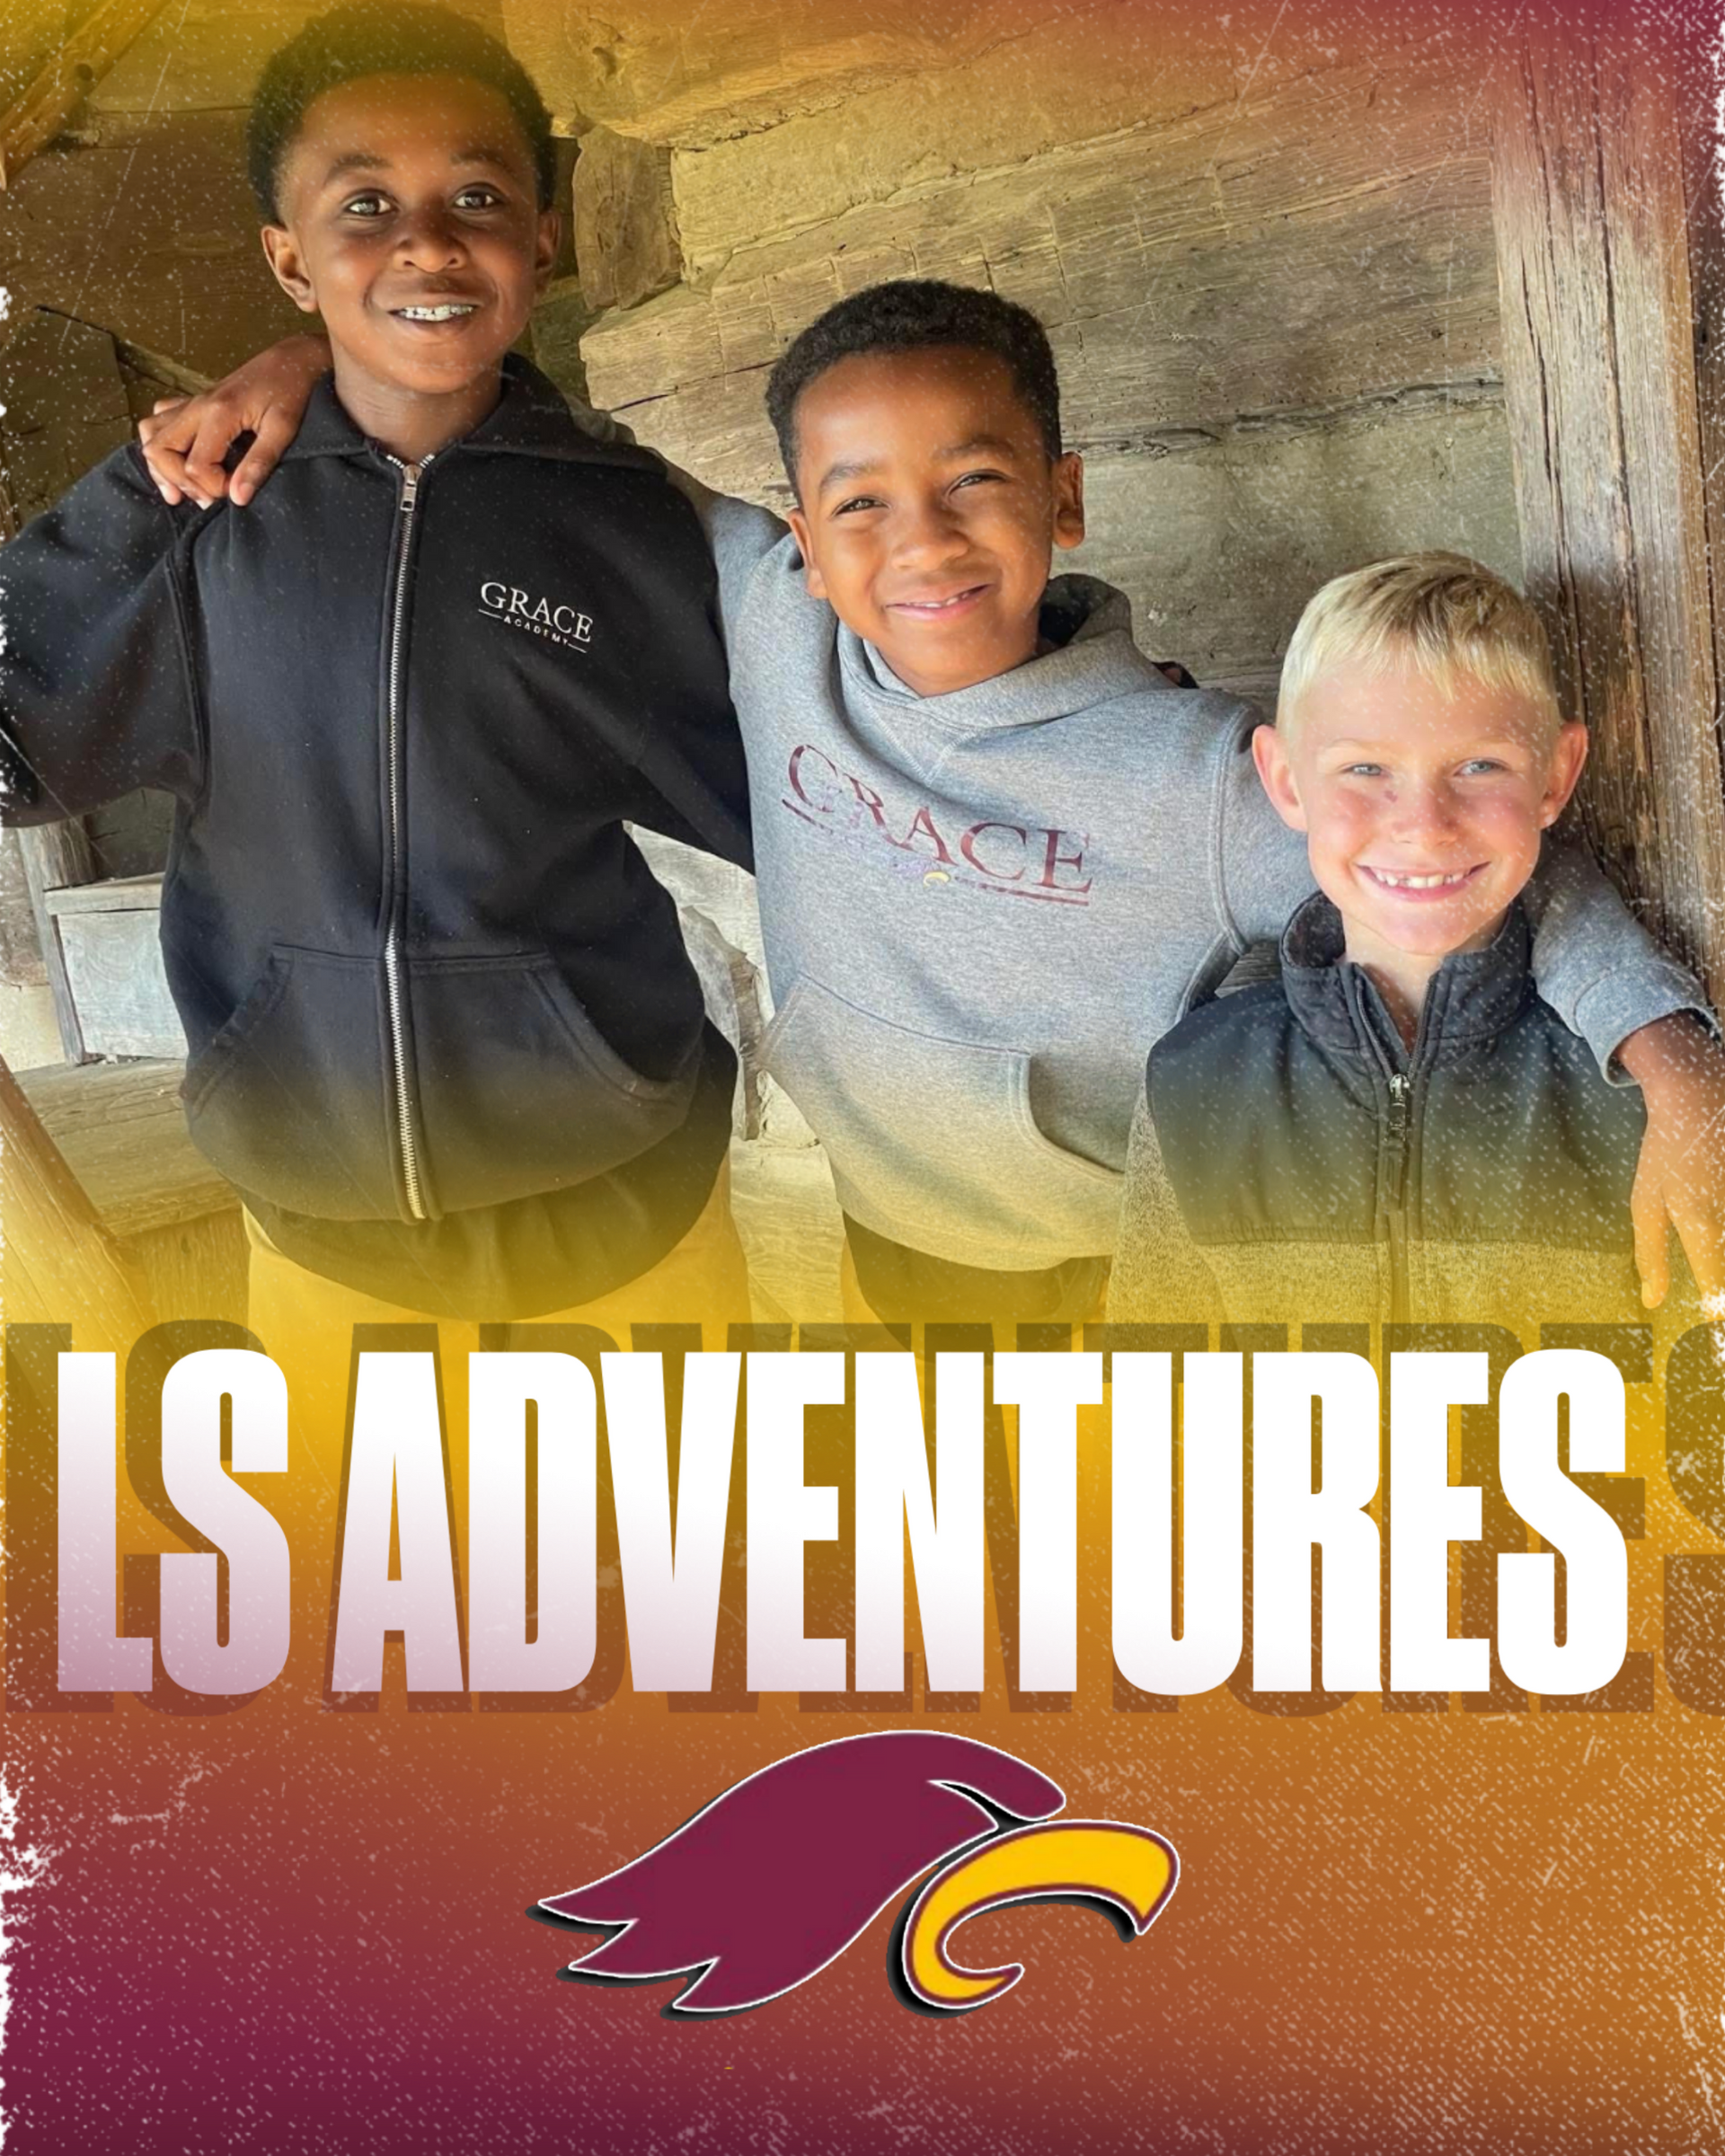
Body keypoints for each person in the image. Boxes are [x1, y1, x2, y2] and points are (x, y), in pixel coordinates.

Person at [139, 281, 1725, 1337]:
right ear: (803, 544)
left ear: (1065, 498)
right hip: (885, 1248)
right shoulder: (777, 625)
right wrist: (302, 363)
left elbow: (1490, 868)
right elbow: (517, 417)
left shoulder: (1204, 779)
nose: (925, 544)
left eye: (975, 480)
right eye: (862, 506)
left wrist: (1678, 1076)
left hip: (1115, 1280)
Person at [0, 2, 756, 1351]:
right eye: (364, 205)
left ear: (545, 233)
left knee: (665, 1558)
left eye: (476, 192)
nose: (425, 240)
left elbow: (812, 775)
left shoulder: (629, 524)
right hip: (324, 1244)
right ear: (288, 261)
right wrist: (144, 481)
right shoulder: (195, 517)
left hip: (628, 1210)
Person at [1109, 552, 1712, 1332]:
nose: (1424, 825)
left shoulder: (1646, 1101)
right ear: (1287, 781)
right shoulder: (1197, 1080)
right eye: (1365, 767)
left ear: (1556, 777)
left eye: (1479, 766)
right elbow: (1147, 1402)